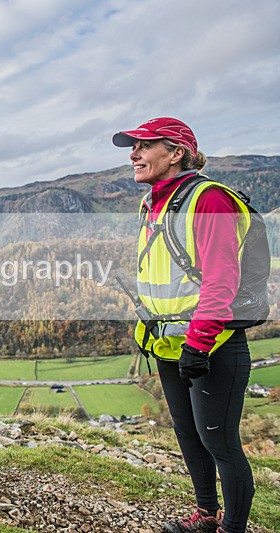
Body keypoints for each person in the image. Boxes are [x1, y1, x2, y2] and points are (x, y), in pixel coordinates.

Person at [113, 117, 254, 533]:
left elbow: (221, 279)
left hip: (212, 345)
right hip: (169, 344)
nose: (134, 154)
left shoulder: (209, 199)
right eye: (132, 147)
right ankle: (206, 515)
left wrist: (199, 343)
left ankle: (232, 528)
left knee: (220, 443)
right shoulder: (153, 203)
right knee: (189, 435)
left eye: (144, 145)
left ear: (176, 153)